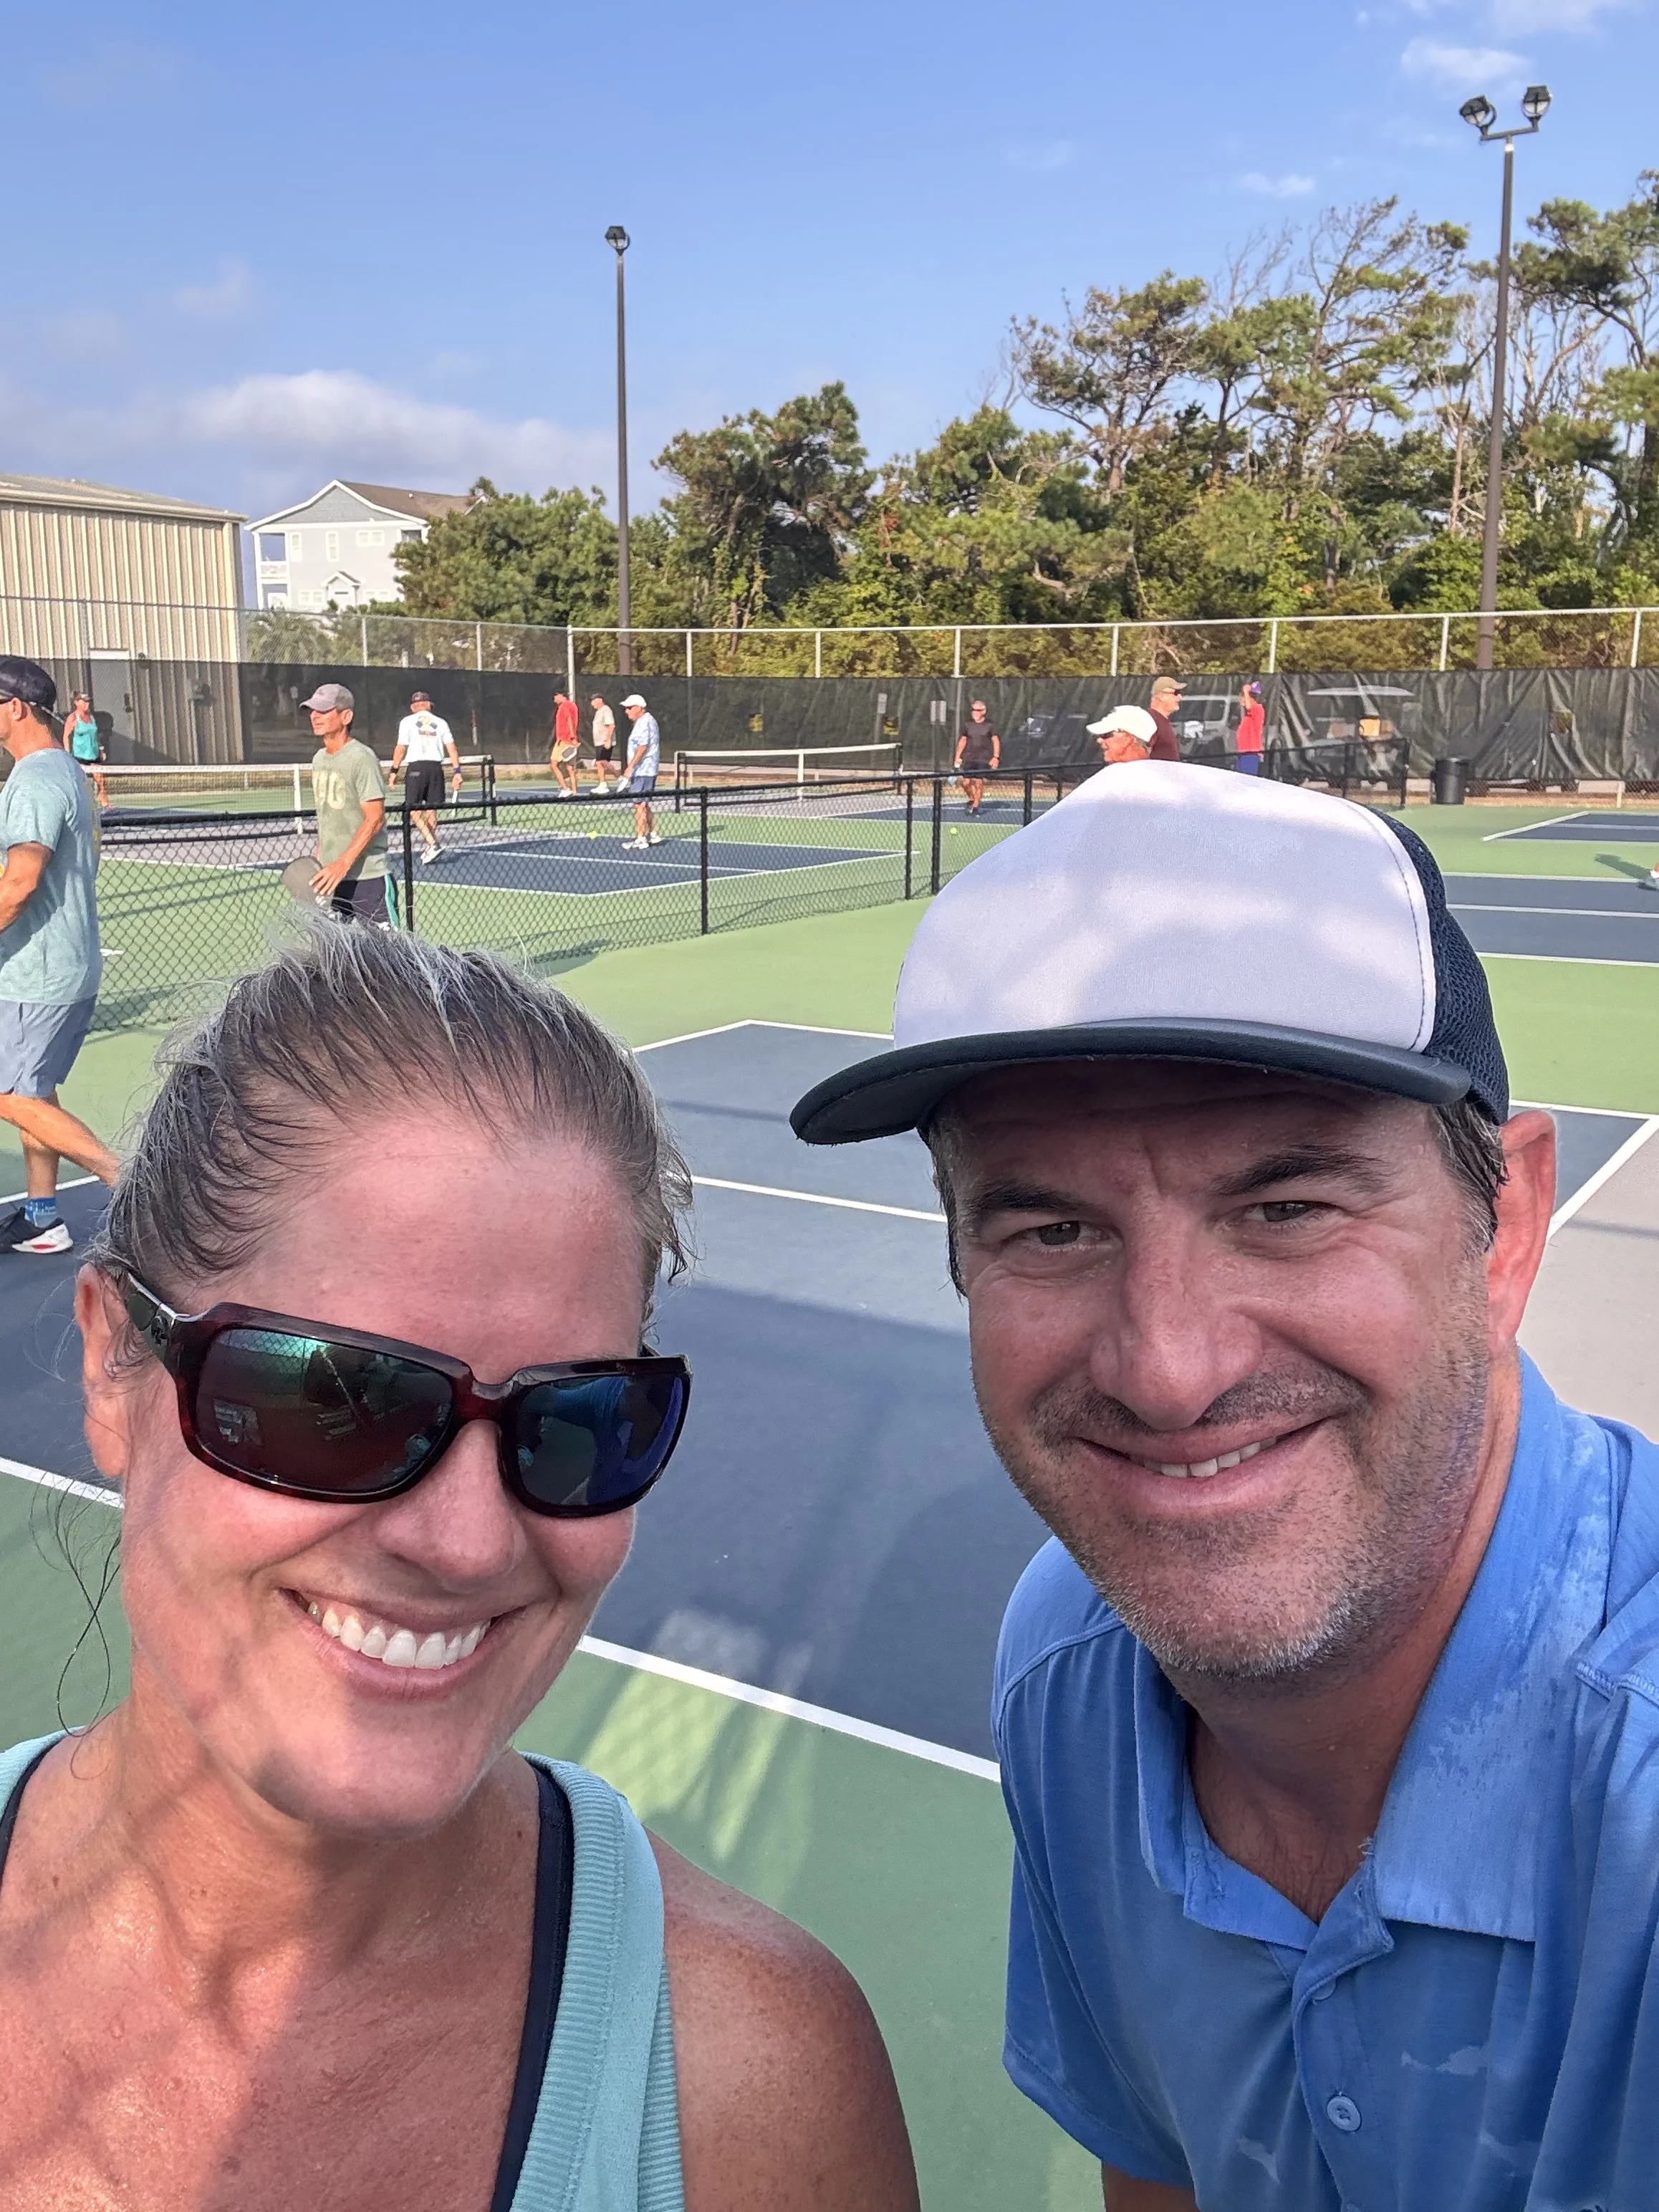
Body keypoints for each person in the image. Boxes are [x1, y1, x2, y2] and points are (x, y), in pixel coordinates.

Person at [792, 758, 1659, 2212]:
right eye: (1053, 1228)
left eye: (1287, 1203)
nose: (1169, 1369)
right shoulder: (1072, 1670)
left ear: (1502, 1230)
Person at [0, 927, 919, 2211]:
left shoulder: (753, 2077)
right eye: (334, 1397)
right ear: (115, 1367)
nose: (470, 1539)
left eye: (578, 1420)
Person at [0, 655, 120, 1255]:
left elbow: (20, 883)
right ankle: (43, 1216)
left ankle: (131, 1186)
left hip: (38, 972)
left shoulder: (35, 779)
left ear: (15, 706)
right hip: (61, 964)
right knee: (36, 1091)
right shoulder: (68, 771)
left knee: (12, 1096)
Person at [304, 683, 392, 925]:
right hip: (331, 881)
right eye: (312, 710)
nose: (314, 716)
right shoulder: (319, 760)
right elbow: (327, 817)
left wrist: (342, 865)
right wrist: (322, 861)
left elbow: (375, 819)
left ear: (346, 716)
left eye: (323, 711)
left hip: (368, 878)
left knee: (387, 960)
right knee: (338, 961)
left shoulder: (362, 758)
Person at [388, 689, 461, 863]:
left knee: (412, 809)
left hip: (416, 768)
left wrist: (394, 771)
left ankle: (432, 843)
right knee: (431, 810)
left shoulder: (407, 722)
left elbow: (401, 748)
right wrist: (457, 773)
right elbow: (452, 749)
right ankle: (431, 848)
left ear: (413, 707)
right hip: (436, 769)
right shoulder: (441, 723)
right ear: (428, 705)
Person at [619, 694, 662, 850]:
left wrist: (630, 767)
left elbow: (643, 746)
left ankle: (640, 838)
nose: (627, 711)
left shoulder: (645, 722)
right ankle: (653, 834)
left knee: (639, 804)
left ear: (639, 708)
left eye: (630, 708)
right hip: (644, 769)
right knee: (643, 803)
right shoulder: (645, 721)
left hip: (644, 770)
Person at [953, 701, 1001, 817]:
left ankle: (975, 806)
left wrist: (996, 757)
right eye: (973, 710)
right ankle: (972, 798)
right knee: (965, 782)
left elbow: (996, 741)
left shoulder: (990, 726)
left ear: (983, 712)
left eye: (978, 710)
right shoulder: (968, 725)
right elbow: (963, 741)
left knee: (979, 783)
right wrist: (957, 757)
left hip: (984, 759)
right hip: (970, 758)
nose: (975, 712)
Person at [62, 691, 108, 809]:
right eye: (84, 702)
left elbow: (96, 735)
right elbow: (66, 736)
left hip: (93, 754)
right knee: (80, 783)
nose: (87, 704)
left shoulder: (91, 718)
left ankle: (105, 804)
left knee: (101, 781)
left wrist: (101, 749)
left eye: (88, 702)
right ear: (77, 703)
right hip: (79, 756)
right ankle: (78, 806)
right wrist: (67, 754)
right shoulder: (73, 718)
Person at [1085, 706, 1155, 766]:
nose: (1099, 740)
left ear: (1130, 738)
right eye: (1099, 736)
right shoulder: (1113, 775)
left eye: (1106, 735)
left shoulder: (1140, 778)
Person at [550, 690, 581, 799]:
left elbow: (569, 720)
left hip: (564, 740)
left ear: (559, 695)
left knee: (553, 764)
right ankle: (574, 791)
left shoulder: (564, 706)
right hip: (570, 740)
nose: (554, 700)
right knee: (570, 767)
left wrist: (572, 737)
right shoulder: (573, 705)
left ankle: (565, 788)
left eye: (554, 697)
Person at [1145, 676, 1184, 761]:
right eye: (1176, 693)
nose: (1180, 697)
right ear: (1162, 696)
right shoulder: (1150, 720)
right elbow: (1141, 755)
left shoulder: (1162, 720)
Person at [1234, 679, 1265, 775]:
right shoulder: (1248, 716)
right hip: (1243, 752)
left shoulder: (1258, 709)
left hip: (1250, 752)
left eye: (1242, 697)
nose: (1241, 699)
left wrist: (1246, 692)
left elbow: (1249, 706)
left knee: (1248, 780)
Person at [590, 693, 617, 794]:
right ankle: (603, 784)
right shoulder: (598, 712)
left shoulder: (606, 710)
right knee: (599, 762)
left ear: (600, 700)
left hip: (605, 741)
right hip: (598, 743)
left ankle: (620, 777)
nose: (592, 704)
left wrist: (608, 740)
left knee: (602, 761)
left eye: (594, 701)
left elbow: (611, 725)